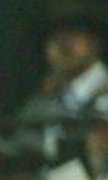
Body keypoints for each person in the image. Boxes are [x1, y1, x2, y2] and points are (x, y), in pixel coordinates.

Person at [18, 2, 108, 164]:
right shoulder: (38, 106)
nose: (62, 44)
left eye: (73, 33)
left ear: (96, 41)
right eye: (53, 37)